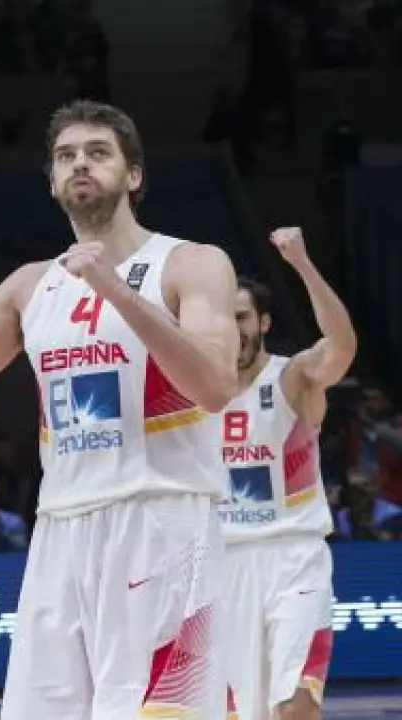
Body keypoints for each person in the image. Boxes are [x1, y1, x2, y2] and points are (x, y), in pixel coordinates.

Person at [0, 99, 239, 719]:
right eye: (66, 156)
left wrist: (117, 291)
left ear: (134, 175)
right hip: (61, 527)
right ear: (51, 181)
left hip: (161, 518)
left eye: (98, 152)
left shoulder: (192, 263)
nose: (80, 164)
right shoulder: (30, 284)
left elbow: (214, 385)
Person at [221, 227, 356, 720]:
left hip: (293, 558)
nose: (231, 327)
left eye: (240, 316)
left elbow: (341, 345)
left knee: (295, 708)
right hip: (222, 564)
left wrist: (300, 261)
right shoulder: (192, 393)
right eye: (222, 317)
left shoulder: (293, 376)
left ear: (262, 322)